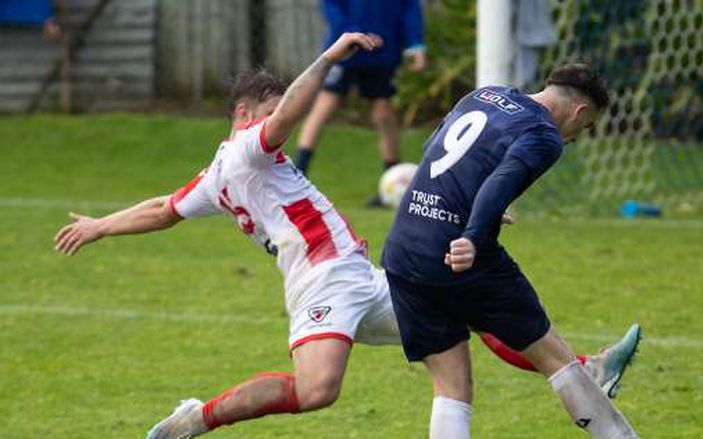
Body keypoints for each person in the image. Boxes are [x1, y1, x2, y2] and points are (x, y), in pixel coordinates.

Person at [53, 36, 639, 437]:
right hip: (322, 282)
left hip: (368, 274)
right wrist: (331, 55)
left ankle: (587, 367)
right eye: (269, 109)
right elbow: (281, 123)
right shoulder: (243, 150)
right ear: (242, 113)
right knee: (318, 392)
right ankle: (197, 418)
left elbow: (164, 208)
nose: (277, 120)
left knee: (460, 336)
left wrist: (100, 225)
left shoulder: (218, 175)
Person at [382, 62, 641, 438]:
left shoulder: (484, 95)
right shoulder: (544, 135)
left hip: (404, 250)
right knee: (557, 358)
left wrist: (471, 204)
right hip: (461, 255)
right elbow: (502, 179)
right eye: (583, 129)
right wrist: (472, 234)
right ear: (580, 111)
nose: (574, 138)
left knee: (452, 387)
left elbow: (433, 149)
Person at [294, 0, 426, 207]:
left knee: (383, 111)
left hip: (383, 51)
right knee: (327, 103)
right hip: (346, 48)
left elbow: (409, 9)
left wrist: (416, 44)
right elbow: (331, 6)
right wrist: (356, 34)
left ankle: (391, 182)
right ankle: (296, 176)